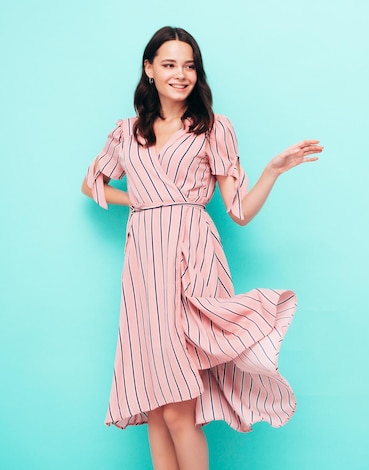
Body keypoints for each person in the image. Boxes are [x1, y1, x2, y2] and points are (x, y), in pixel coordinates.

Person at [81, 26, 323, 470]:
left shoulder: (214, 128)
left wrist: (271, 170)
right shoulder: (127, 132)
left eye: (189, 65)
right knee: (155, 402)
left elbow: (239, 211)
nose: (181, 74)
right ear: (149, 69)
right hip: (143, 264)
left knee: (178, 404)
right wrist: (139, 198)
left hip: (192, 259)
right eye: (170, 64)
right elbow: (90, 183)